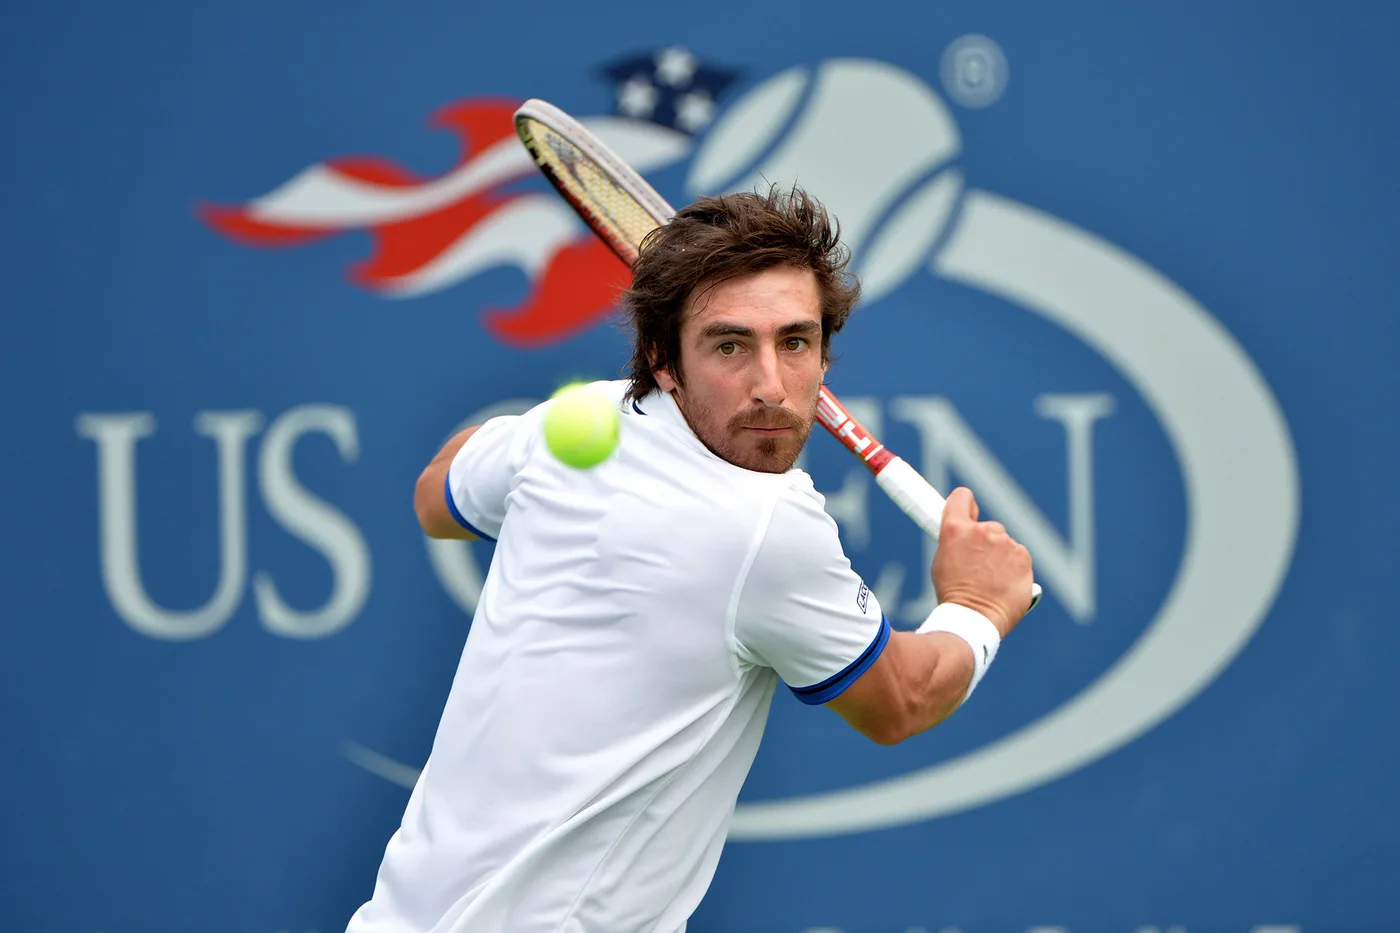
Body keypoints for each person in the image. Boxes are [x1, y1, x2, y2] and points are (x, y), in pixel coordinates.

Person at [345, 185, 1034, 933]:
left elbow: (434, 499)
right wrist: (978, 605)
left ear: (823, 353)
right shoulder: (765, 523)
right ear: (663, 359)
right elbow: (901, 700)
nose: (770, 386)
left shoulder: (568, 432)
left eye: (794, 342)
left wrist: (530, 438)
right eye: (730, 345)